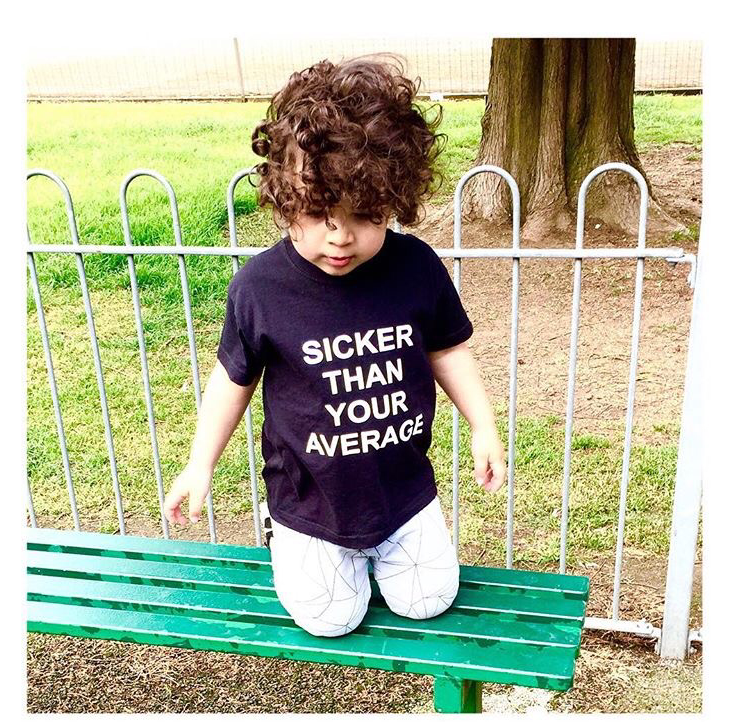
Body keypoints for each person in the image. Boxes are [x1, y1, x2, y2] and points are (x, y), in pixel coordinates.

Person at [164, 56, 506, 637]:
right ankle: (291, 540)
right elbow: (233, 379)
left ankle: (380, 552)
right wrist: (200, 464)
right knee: (331, 619)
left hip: (402, 493)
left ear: (395, 198)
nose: (340, 236)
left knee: (429, 600)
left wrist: (483, 424)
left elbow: (448, 350)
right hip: (311, 502)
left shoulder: (416, 267)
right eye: (319, 212)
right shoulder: (259, 288)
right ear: (283, 197)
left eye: (365, 216)